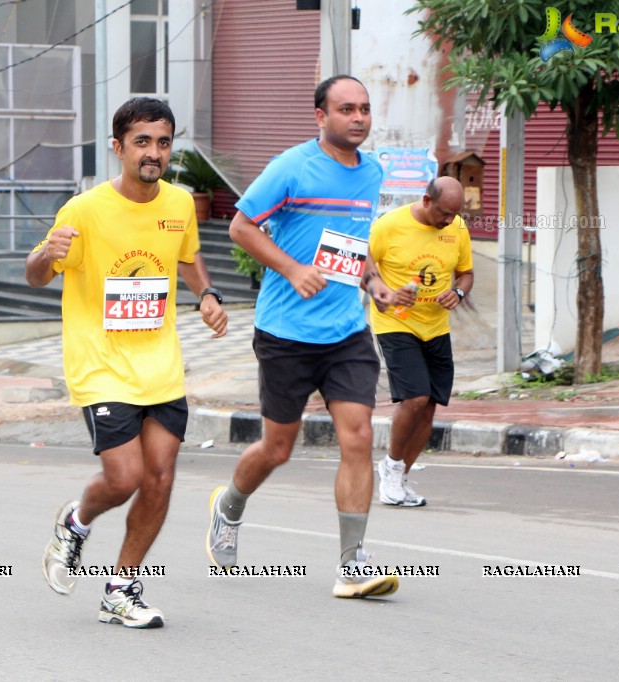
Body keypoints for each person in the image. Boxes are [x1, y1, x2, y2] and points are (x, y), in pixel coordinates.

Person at [26, 97, 228, 628]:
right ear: (118, 147)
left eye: (163, 142)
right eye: (142, 141)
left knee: (159, 479)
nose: (153, 153)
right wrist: (49, 252)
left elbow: (186, 256)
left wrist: (206, 294)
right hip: (101, 363)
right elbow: (35, 275)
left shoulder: (179, 204)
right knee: (124, 477)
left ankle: (121, 589)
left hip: (160, 362)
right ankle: (75, 521)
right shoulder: (84, 210)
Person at [205, 75, 399, 599]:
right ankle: (230, 504)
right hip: (286, 333)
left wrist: (373, 280)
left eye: (363, 109)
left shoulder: (372, 171)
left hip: (346, 332)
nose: (358, 118)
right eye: (346, 109)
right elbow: (241, 227)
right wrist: (292, 269)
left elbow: (356, 241)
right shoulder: (292, 167)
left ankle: (352, 563)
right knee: (278, 447)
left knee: (357, 436)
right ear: (320, 116)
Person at [367, 176, 473, 506]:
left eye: (454, 214)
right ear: (427, 201)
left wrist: (457, 292)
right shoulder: (389, 225)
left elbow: (466, 273)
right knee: (415, 397)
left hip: (436, 327)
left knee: (429, 407)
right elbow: (362, 262)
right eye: (444, 213)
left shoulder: (457, 228)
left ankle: (399, 474)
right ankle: (390, 467)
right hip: (395, 322)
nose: (448, 220)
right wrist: (381, 290)